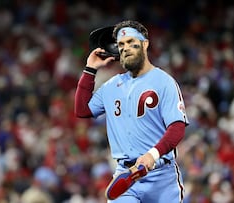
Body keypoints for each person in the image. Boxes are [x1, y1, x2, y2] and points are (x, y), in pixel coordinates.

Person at [74, 20, 189, 203]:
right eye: (121, 44)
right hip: (126, 177)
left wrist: (153, 155)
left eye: (130, 42)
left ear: (145, 43)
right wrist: (90, 69)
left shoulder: (164, 82)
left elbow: (177, 127)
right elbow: (82, 110)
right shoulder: (111, 86)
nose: (125, 48)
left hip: (162, 177)